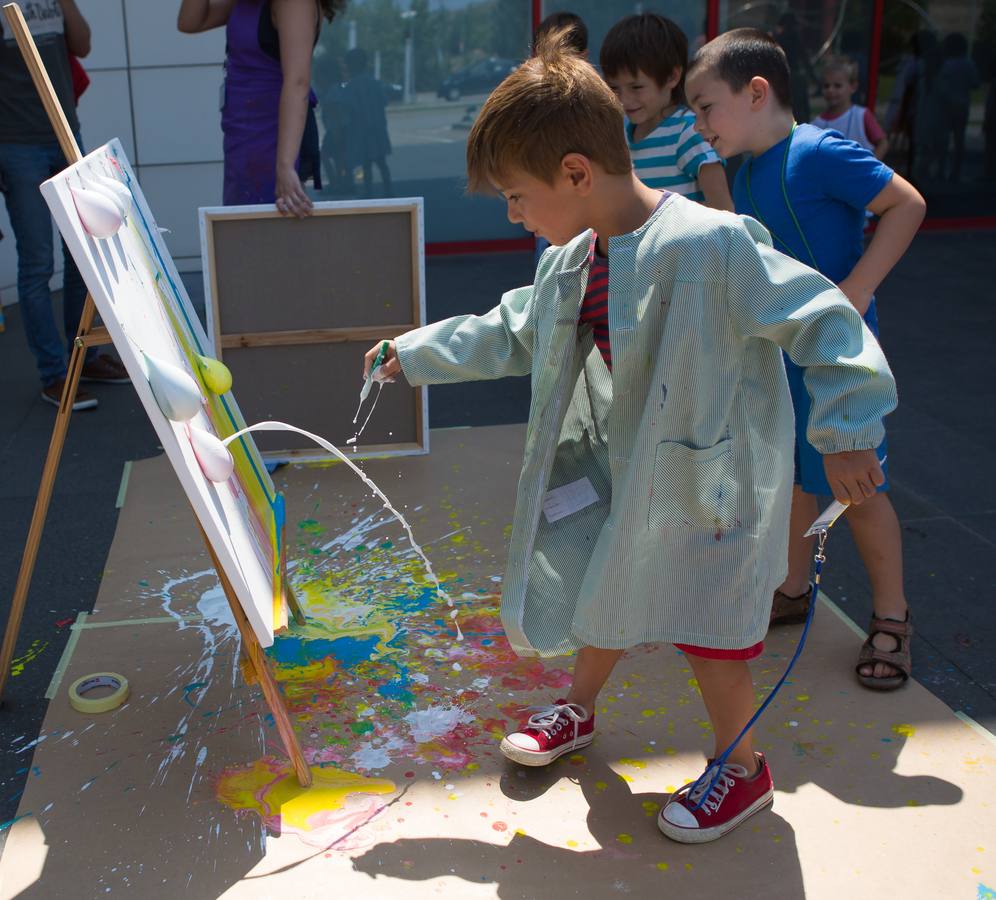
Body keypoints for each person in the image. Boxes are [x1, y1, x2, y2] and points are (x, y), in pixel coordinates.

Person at [362, 29, 897, 843]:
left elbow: (821, 317)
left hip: (705, 482)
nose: (513, 215)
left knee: (708, 629)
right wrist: (415, 352)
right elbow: (512, 331)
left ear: (575, 173)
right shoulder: (571, 261)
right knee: (600, 582)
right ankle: (580, 707)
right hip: (623, 462)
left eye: (517, 196)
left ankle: (744, 768)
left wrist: (849, 428)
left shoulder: (711, 244)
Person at [685, 29, 925, 690]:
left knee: (858, 489)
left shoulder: (819, 151)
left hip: (839, 362)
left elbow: (906, 203)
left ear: (756, 92)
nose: (700, 125)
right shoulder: (744, 171)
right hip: (783, 356)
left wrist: (859, 288)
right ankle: (793, 587)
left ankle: (892, 618)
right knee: (795, 475)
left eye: (706, 107)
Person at [0, 0, 129, 410]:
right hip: (16, 145)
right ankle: (54, 375)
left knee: (82, 251)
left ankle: (84, 359)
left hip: (64, 135)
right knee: (38, 262)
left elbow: (83, 45)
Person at [178, 0, 346, 216]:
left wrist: (285, 167)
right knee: (242, 227)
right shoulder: (247, 3)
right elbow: (189, 22)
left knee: (268, 233)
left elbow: (298, 83)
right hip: (242, 139)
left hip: (273, 139)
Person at [600, 13, 732, 211]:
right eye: (615, 88)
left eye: (636, 87)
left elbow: (724, 211)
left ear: (672, 76)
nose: (624, 100)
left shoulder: (689, 131)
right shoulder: (622, 131)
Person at [812, 55, 889, 160]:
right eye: (826, 86)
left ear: (853, 87)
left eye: (837, 85)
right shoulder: (816, 124)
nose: (830, 90)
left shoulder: (862, 115)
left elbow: (882, 143)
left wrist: (871, 166)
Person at [341, 46, 392, 198]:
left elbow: (349, 109)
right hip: (377, 128)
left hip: (361, 131)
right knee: (381, 162)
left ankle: (368, 193)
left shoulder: (351, 87)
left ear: (350, 66)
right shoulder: (374, 83)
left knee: (366, 164)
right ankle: (388, 190)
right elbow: (384, 101)